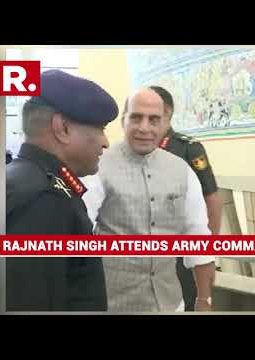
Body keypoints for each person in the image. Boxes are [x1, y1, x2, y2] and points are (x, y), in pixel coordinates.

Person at [82, 88, 215, 312]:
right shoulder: (97, 166)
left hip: (170, 304)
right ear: (124, 120)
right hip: (113, 305)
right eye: (136, 117)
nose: (144, 127)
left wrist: (204, 300)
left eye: (154, 120)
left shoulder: (182, 171)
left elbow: (199, 238)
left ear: (165, 123)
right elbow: (78, 232)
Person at [6, 69, 119, 311]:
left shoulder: (22, 179)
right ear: (63, 128)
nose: (105, 142)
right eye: (99, 128)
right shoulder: (44, 200)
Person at [148, 85, 222, 311]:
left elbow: (212, 199)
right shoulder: (137, 152)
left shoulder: (187, 149)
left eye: (152, 116)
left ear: (167, 113)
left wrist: (207, 251)